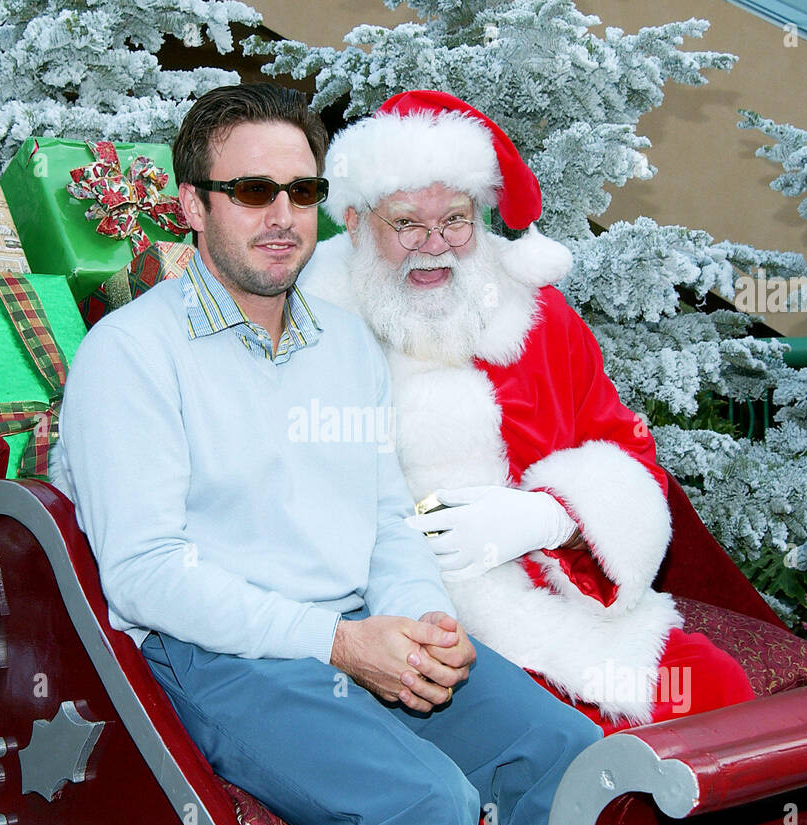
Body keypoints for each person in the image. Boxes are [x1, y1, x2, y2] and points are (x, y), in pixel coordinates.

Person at [53, 83, 602, 825]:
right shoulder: (131, 354)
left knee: (564, 750)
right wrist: (339, 645)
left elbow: (383, 515)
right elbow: (144, 573)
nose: (282, 216)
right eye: (251, 192)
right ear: (191, 205)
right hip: (219, 657)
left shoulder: (344, 344)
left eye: (301, 191)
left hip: (354, 624)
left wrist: (420, 620)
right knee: (423, 802)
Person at [300, 90, 756, 733]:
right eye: (406, 224)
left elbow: (626, 451)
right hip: (401, 626)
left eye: (455, 220)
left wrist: (550, 517)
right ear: (353, 222)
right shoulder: (312, 327)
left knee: (713, 696)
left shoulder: (537, 317)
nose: (435, 246)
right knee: (526, 763)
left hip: (556, 597)